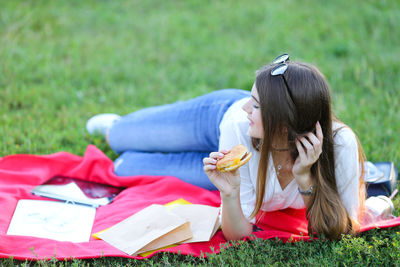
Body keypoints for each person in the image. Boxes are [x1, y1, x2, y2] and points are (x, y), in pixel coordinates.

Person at [86, 54, 365, 240]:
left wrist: (304, 177)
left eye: (255, 104)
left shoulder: (341, 145)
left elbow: (342, 229)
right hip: (217, 117)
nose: (247, 106)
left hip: (244, 146)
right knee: (119, 138)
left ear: (282, 126)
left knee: (125, 167)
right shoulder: (239, 119)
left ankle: (130, 153)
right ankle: (117, 126)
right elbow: (242, 113)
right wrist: (252, 112)